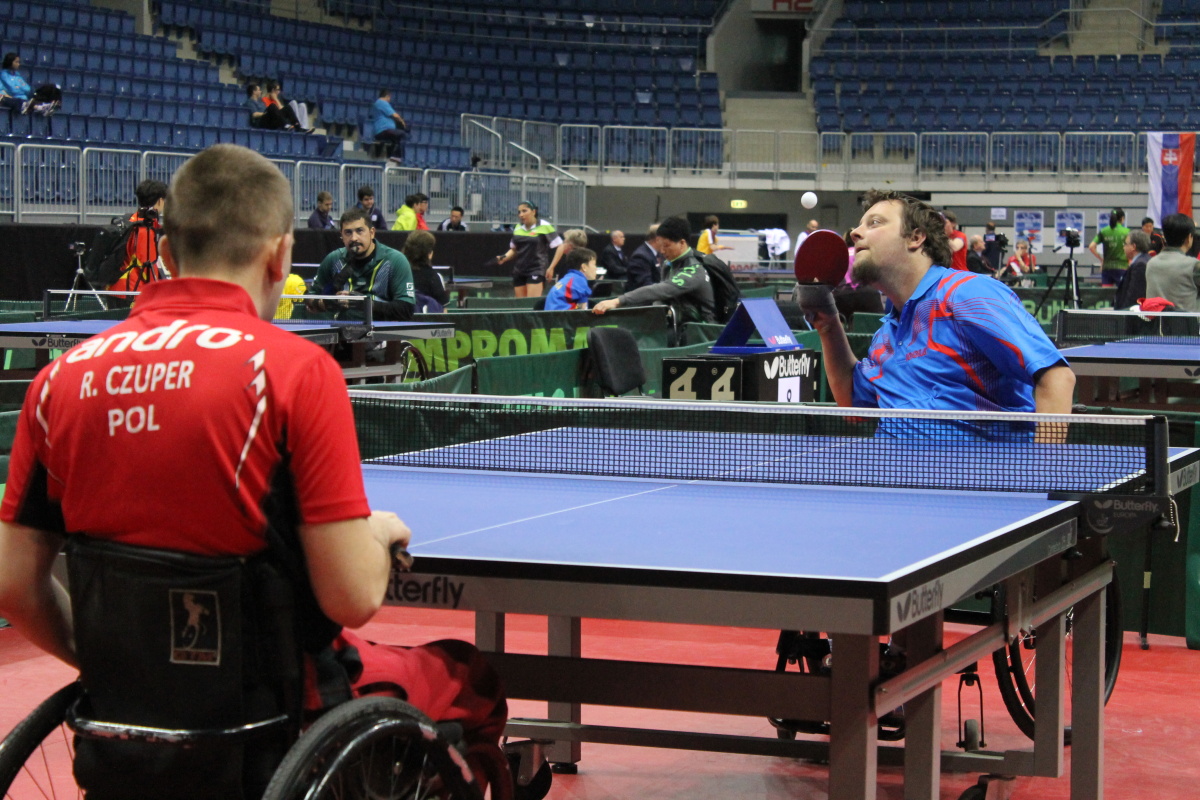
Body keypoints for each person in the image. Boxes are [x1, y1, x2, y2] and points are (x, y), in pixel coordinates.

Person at [0, 144, 508, 793]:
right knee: (471, 680)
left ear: (163, 254)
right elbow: (350, 597)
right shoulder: (294, 371)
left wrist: (131, 670)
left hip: (128, 722)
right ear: (278, 256)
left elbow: (14, 586)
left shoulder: (57, 381)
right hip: (275, 712)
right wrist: (375, 534)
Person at [799, 189, 1074, 430]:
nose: (855, 233)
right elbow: (852, 404)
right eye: (859, 226)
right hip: (895, 478)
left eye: (874, 223)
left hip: (977, 479)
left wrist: (1043, 474)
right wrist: (826, 321)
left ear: (915, 237)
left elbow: (1056, 376)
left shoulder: (965, 294)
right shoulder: (886, 337)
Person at [592, 216, 714, 323]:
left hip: (703, 333)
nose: (662, 251)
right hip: (680, 326)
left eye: (666, 246)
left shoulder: (694, 270)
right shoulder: (669, 264)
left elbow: (661, 290)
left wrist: (618, 301)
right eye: (661, 246)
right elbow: (660, 299)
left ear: (682, 243)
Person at [313, 208, 415, 320]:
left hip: (381, 335)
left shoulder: (395, 260)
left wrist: (365, 304)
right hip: (341, 333)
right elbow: (309, 300)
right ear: (341, 235)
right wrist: (327, 303)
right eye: (348, 232)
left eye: (360, 231)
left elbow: (406, 309)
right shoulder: (333, 259)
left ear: (372, 233)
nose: (354, 238)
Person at [108, 179, 168, 295]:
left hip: (117, 287)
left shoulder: (131, 220)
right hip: (131, 290)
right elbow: (146, 264)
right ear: (160, 201)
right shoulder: (144, 229)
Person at [496, 201, 562, 298]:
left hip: (536, 269)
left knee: (531, 304)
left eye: (524, 211)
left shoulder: (544, 225)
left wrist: (551, 267)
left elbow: (561, 245)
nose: (521, 215)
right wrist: (504, 257)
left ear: (533, 212)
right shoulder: (517, 228)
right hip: (519, 270)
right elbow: (514, 249)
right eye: (519, 212)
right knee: (520, 306)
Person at [1145, 213, 1200, 312]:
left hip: (1156, 326)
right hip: (1186, 326)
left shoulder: (1150, 263)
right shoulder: (1194, 266)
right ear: (1189, 238)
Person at [402, 229, 449, 312]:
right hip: (425, 323)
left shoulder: (396, 273)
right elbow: (443, 312)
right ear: (429, 254)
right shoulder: (434, 277)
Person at [1089, 207, 1130, 286]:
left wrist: (1101, 259)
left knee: (1106, 296)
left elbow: (1091, 247)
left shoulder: (1104, 231)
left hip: (1107, 268)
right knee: (1122, 294)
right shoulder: (1127, 231)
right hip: (1122, 267)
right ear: (1122, 218)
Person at [1114, 229, 1152, 309]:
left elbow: (1134, 296)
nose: (1123, 247)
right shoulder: (1143, 261)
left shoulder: (1140, 265)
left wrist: (1123, 315)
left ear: (1133, 247)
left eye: (1125, 244)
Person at [371, 89, 408, 163]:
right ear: (387, 96)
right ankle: (396, 156)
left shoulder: (377, 103)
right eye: (390, 98)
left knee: (396, 139)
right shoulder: (382, 103)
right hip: (384, 129)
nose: (390, 100)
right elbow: (395, 115)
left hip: (382, 130)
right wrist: (402, 121)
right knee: (403, 134)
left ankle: (393, 155)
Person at [625, 223, 661, 293]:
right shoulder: (640, 257)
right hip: (641, 302)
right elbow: (646, 286)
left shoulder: (657, 254)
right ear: (658, 239)